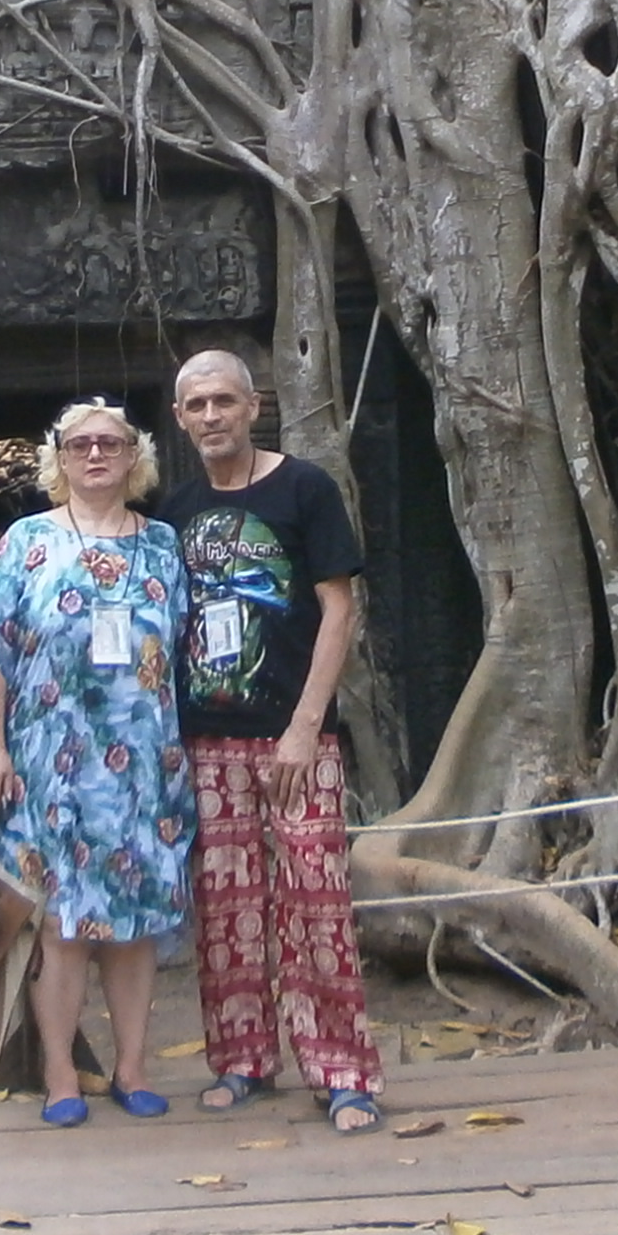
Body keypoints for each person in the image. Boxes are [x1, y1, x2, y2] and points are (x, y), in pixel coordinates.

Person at [167, 349, 383, 1132]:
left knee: (316, 900)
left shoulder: (304, 488)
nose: (212, 416)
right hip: (208, 740)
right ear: (180, 419)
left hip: (297, 737)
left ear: (253, 405)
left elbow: (338, 610)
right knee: (226, 908)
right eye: (197, 406)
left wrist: (304, 725)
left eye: (224, 400)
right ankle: (241, 1058)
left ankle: (341, 1069)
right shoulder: (176, 508)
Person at [0, 400, 194, 1125]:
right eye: (79, 445)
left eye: (111, 443)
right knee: (62, 925)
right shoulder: (25, 542)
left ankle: (132, 1067)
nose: (95, 455)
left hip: (143, 767)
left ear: (136, 458)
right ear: (58, 460)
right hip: (49, 764)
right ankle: (61, 1072)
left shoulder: (162, 544)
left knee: (133, 925)